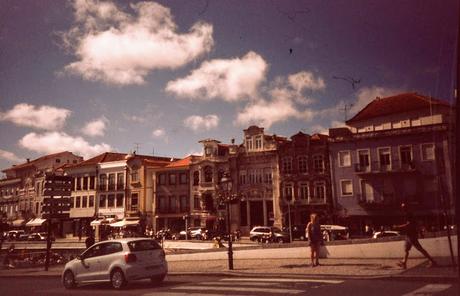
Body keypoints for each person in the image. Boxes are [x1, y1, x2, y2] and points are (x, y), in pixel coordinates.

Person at [393, 203, 437, 269]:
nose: (403, 209)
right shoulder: (408, 214)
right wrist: (420, 232)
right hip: (408, 235)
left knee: (420, 249)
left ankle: (433, 262)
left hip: (411, 236)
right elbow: (416, 224)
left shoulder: (409, 215)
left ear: (407, 207)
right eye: (402, 207)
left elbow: (409, 224)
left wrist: (398, 227)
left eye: (404, 207)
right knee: (406, 250)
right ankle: (404, 263)